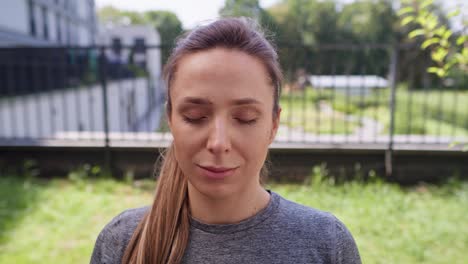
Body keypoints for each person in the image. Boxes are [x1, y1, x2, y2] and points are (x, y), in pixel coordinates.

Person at [90, 17, 361, 264]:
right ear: (170, 119)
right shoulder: (122, 242)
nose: (218, 143)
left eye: (244, 118)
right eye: (195, 116)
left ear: (274, 124)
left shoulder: (326, 244)